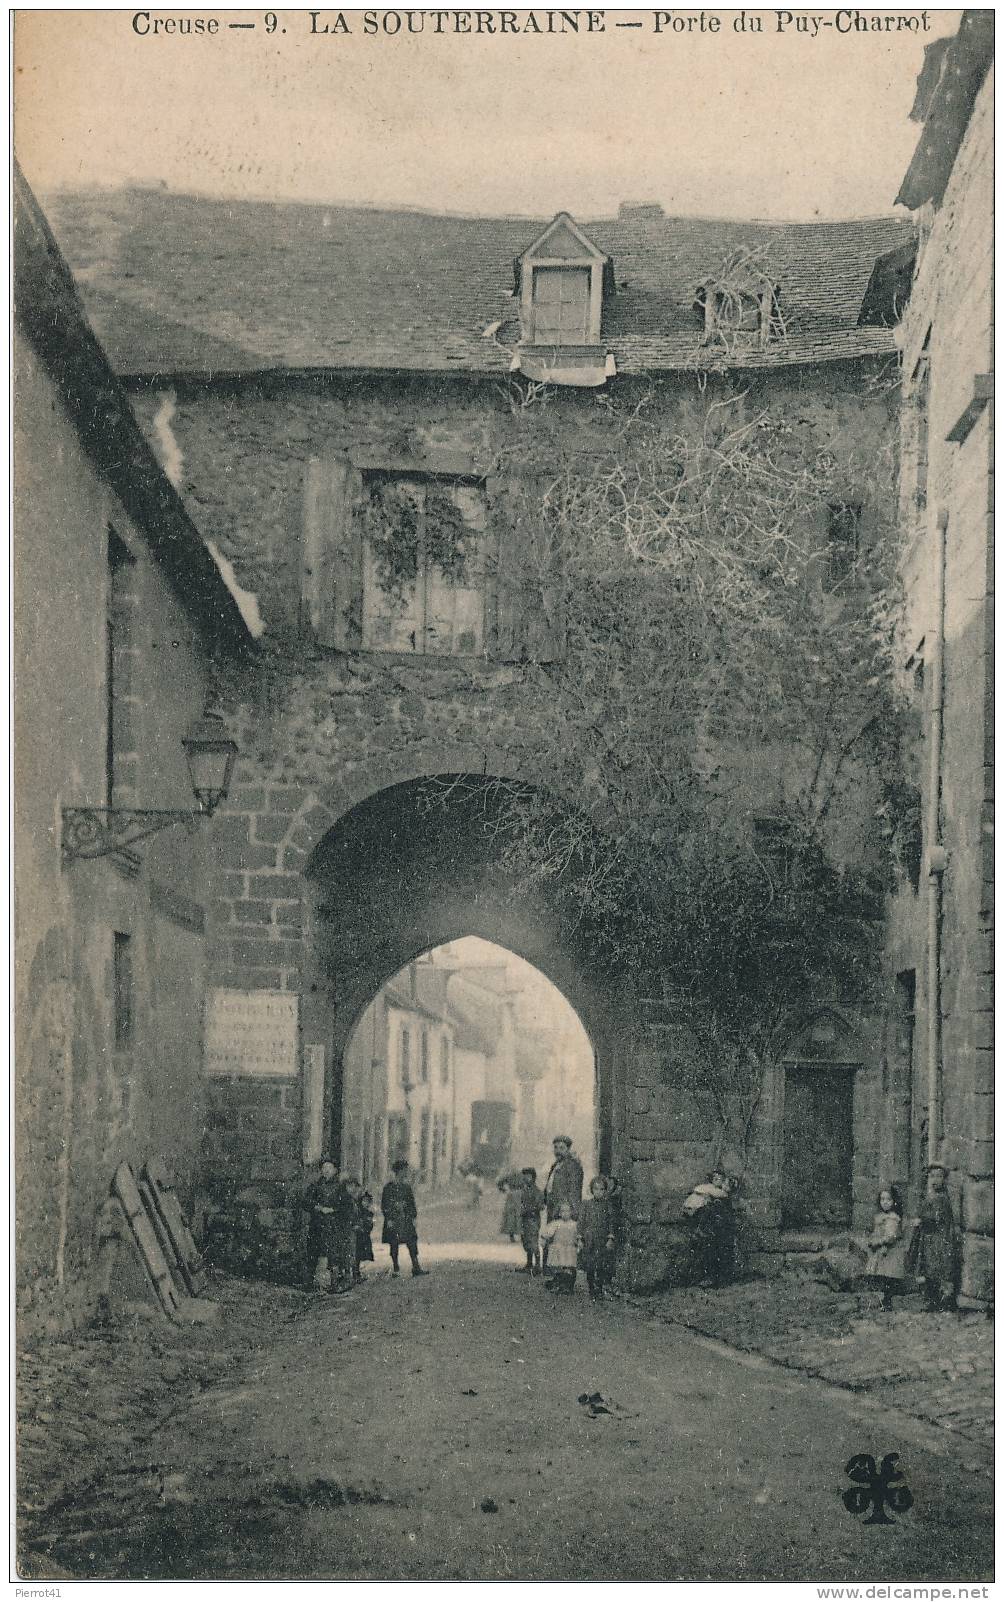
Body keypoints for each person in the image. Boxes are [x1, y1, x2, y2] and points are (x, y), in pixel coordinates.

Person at [907, 1164, 960, 1311]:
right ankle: (931, 1300)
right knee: (928, 1267)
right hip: (929, 1238)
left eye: (939, 1176)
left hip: (940, 1239)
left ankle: (944, 1302)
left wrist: (922, 1220)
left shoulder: (942, 1198)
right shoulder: (931, 1196)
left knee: (940, 1268)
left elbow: (938, 1218)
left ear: (944, 1179)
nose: (935, 1180)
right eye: (932, 1176)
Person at [301, 1157, 355, 1294]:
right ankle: (308, 1283)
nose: (326, 1171)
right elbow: (306, 1202)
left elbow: (348, 1207)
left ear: (335, 1170)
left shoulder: (340, 1188)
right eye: (324, 1168)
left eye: (329, 1168)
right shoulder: (315, 1186)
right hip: (317, 1224)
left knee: (334, 1255)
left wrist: (333, 1210)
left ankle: (335, 1282)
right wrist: (318, 1208)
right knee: (313, 1252)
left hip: (333, 1226)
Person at [855, 1184, 908, 1310]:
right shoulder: (880, 1217)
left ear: (894, 1202)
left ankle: (887, 1302)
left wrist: (877, 1242)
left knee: (887, 1277)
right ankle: (882, 1300)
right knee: (881, 1277)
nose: (885, 1202)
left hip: (889, 1252)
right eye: (882, 1199)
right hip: (881, 1251)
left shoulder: (892, 1219)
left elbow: (891, 1236)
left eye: (888, 1200)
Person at [683, 1169, 737, 1288]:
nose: (718, 1182)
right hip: (710, 1229)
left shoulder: (722, 1196)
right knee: (707, 1251)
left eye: (721, 1180)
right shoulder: (710, 1192)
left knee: (720, 1252)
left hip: (720, 1230)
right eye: (715, 1179)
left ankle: (719, 1279)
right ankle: (708, 1278)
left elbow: (725, 1214)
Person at [381, 1159, 429, 1278]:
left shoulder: (406, 1187)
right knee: (394, 1243)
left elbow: (411, 1203)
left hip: (405, 1219)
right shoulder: (388, 1188)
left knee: (412, 1241)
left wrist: (413, 1217)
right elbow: (385, 1204)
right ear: (398, 1172)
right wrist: (389, 1218)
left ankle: (416, 1266)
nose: (405, 1173)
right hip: (394, 1218)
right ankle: (396, 1267)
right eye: (404, 1171)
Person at [578, 1176, 617, 1300]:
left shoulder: (607, 1205)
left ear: (605, 1191)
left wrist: (610, 1238)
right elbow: (581, 1222)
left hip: (601, 1239)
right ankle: (591, 1288)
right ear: (591, 1190)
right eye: (596, 1189)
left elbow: (611, 1222)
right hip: (589, 1239)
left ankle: (599, 1288)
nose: (598, 1192)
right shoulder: (586, 1204)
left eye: (601, 1189)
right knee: (589, 1265)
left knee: (601, 1265)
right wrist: (580, 1238)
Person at [540, 1201, 578, 1295]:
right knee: (559, 1268)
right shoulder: (556, 1223)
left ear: (571, 1212)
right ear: (559, 1213)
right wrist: (544, 1239)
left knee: (570, 1268)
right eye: (563, 1211)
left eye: (568, 1211)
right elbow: (547, 1233)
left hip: (570, 1249)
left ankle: (569, 1287)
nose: (565, 1213)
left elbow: (578, 1235)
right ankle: (559, 1285)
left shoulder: (574, 1224)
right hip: (559, 1248)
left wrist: (579, 1242)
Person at [516, 1166, 546, 1275]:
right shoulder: (524, 1190)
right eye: (524, 1176)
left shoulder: (537, 1191)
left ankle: (537, 1265)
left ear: (533, 1178)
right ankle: (529, 1264)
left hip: (533, 1219)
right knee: (526, 1241)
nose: (525, 1178)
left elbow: (540, 1206)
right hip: (525, 1219)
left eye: (528, 1176)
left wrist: (528, 1209)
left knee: (533, 1242)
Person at [345, 1179, 375, 1284]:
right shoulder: (350, 1201)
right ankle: (350, 1275)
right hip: (352, 1231)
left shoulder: (360, 1205)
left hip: (359, 1233)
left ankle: (355, 1274)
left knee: (356, 1255)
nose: (355, 1191)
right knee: (350, 1254)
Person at [498, 1171, 522, 1242]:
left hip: (514, 1195)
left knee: (513, 1214)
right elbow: (500, 1183)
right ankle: (515, 1235)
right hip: (516, 1195)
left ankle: (515, 1235)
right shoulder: (520, 1175)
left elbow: (500, 1182)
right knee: (515, 1214)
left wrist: (503, 1190)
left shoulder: (509, 1175)